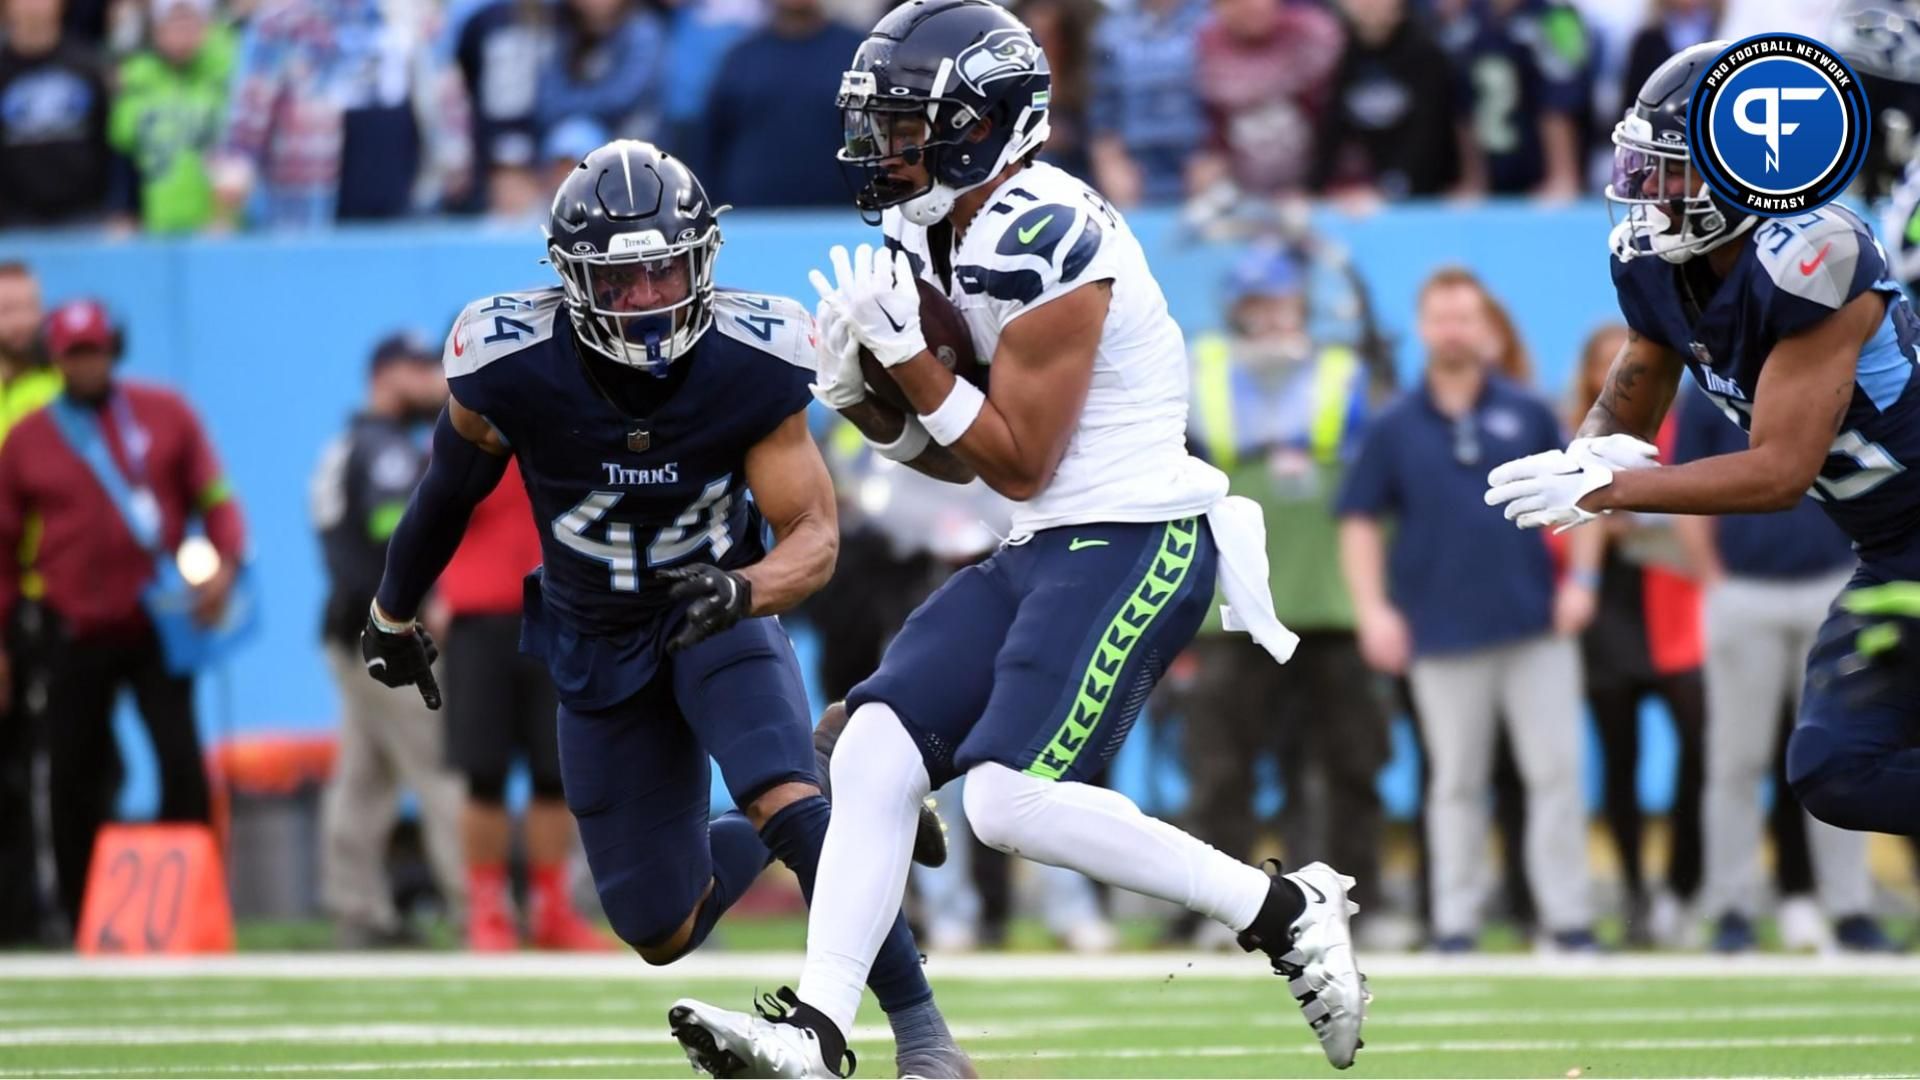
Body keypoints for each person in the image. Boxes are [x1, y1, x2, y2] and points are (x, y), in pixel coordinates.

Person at [668, 3, 1366, 1074]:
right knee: (872, 748)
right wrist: (871, 402)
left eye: (906, 126)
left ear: (979, 124)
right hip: (1046, 538)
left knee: (1004, 799)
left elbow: (1018, 456)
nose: (882, 150)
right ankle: (816, 1031)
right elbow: (959, 456)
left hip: (1139, 531)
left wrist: (910, 364)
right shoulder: (929, 223)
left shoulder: (1046, 233)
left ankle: (1280, 908)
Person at [356, 140, 968, 1077]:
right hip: (593, 636)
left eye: (665, 271)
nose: (647, 296)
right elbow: (446, 492)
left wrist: (742, 589)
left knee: (784, 804)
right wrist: (392, 616)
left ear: (702, 260)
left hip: (716, 615)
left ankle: (927, 1041)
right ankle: (831, 775)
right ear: (571, 278)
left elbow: (813, 537)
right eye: (623, 277)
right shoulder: (508, 361)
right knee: (660, 926)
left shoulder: (749, 359)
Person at [1485, 40, 1920, 838]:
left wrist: (1606, 489)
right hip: (1894, 552)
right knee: (1836, 769)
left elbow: (1780, 473)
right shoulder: (1655, 265)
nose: (1647, 191)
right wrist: (1590, 452)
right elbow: (1635, 392)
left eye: (1672, 168)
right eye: (1642, 165)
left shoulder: (1813, 262)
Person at [1337, 268, 1598, 953]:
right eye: (1443, 318)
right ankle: (1455, 923)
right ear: (1424, 328)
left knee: (1556, 775)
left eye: (1466, 318)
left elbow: (1582, 491)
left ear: (1486, 328)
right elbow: (1359, 519)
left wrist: (1585, 579)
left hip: (1533, 624)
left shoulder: (1528, 409)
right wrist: (1373, 610)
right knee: (1455, 782)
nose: (1455, 331)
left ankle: (1566, 920)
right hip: (1440, 630)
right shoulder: (1394, 422)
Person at [0, 297, 247, 931]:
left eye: (96, 350)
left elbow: (216, 498)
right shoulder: (27, 440)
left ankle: (191, 905)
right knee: (72, 770)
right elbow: (3, 547)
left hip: (159, 622)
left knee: (180, 761)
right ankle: (86, 912)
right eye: (74, 353)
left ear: (115, 348)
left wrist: (225, 562)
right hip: (71, 627)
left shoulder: (164, 414)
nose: (87, 365)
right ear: (56, 359)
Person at [1177, 243, 1388, 937]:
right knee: (1222, 767)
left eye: (1280, 302)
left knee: (1349, 762)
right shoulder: (1198, 370)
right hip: (1231, 609)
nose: (1269, 317)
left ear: (1301, 302)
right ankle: (1224, 907)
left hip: (1332, 602)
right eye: (1255, 304)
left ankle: (1358, 904)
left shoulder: (1342, 368)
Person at [1670, 385, 1892, 953]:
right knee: (1734, 761)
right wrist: (1713, 580)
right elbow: (1685, 485)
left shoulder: (1839, 373)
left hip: (1831, 585)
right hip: (1743, 589)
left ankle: (1849, 908)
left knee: (1840, 754)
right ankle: (1731, 909)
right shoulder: (1707, 391)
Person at [311, 331, 467, 947]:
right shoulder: (386, 453)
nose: (434, 380)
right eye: (420, 368)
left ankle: (356, 910)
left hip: (345, 629)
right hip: (387, 631)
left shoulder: (346, 443)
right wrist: (424, 601)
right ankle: (471, 907)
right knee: (437, 767)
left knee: (364, 776)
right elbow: (392, 530)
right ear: (386, 375)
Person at [435, 458, 612, 951]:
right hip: (479, 614)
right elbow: (435, 507)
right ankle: (487, 912)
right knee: (483, 775)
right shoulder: (471, 417)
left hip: (556, 609)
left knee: (554, 774)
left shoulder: (565, 416)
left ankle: (550, 910)